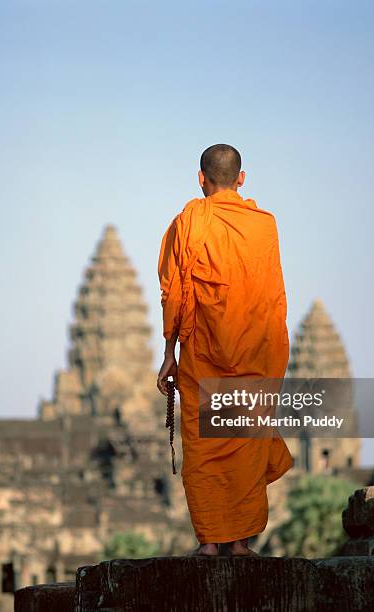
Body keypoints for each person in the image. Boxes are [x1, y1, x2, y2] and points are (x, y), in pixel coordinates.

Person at [157, 144, 293, 556]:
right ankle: (240, 543)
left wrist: (168, 353)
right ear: (242, 177)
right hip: (255, 353)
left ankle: (212, 542)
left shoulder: (188, 224)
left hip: (203, 355)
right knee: (245, 443)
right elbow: (273, 296)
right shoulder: (264, 226)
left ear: (201, 179)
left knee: (206, 449)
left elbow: (174, 293)